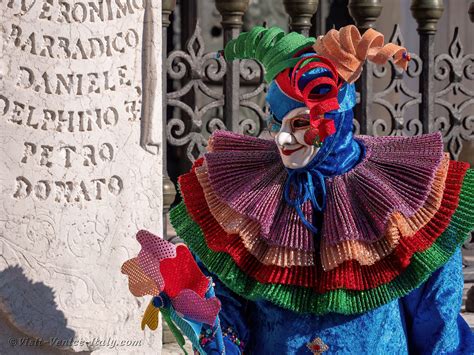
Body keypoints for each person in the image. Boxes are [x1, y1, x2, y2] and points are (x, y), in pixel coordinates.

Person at [124, 25, 474, 354]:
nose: (284, 139)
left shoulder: (403, 198)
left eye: (301, 122)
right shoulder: (244, 201)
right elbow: (229, 331)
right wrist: (196, 309)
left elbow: (438, 329)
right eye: (276, 122)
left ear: (338, 117)